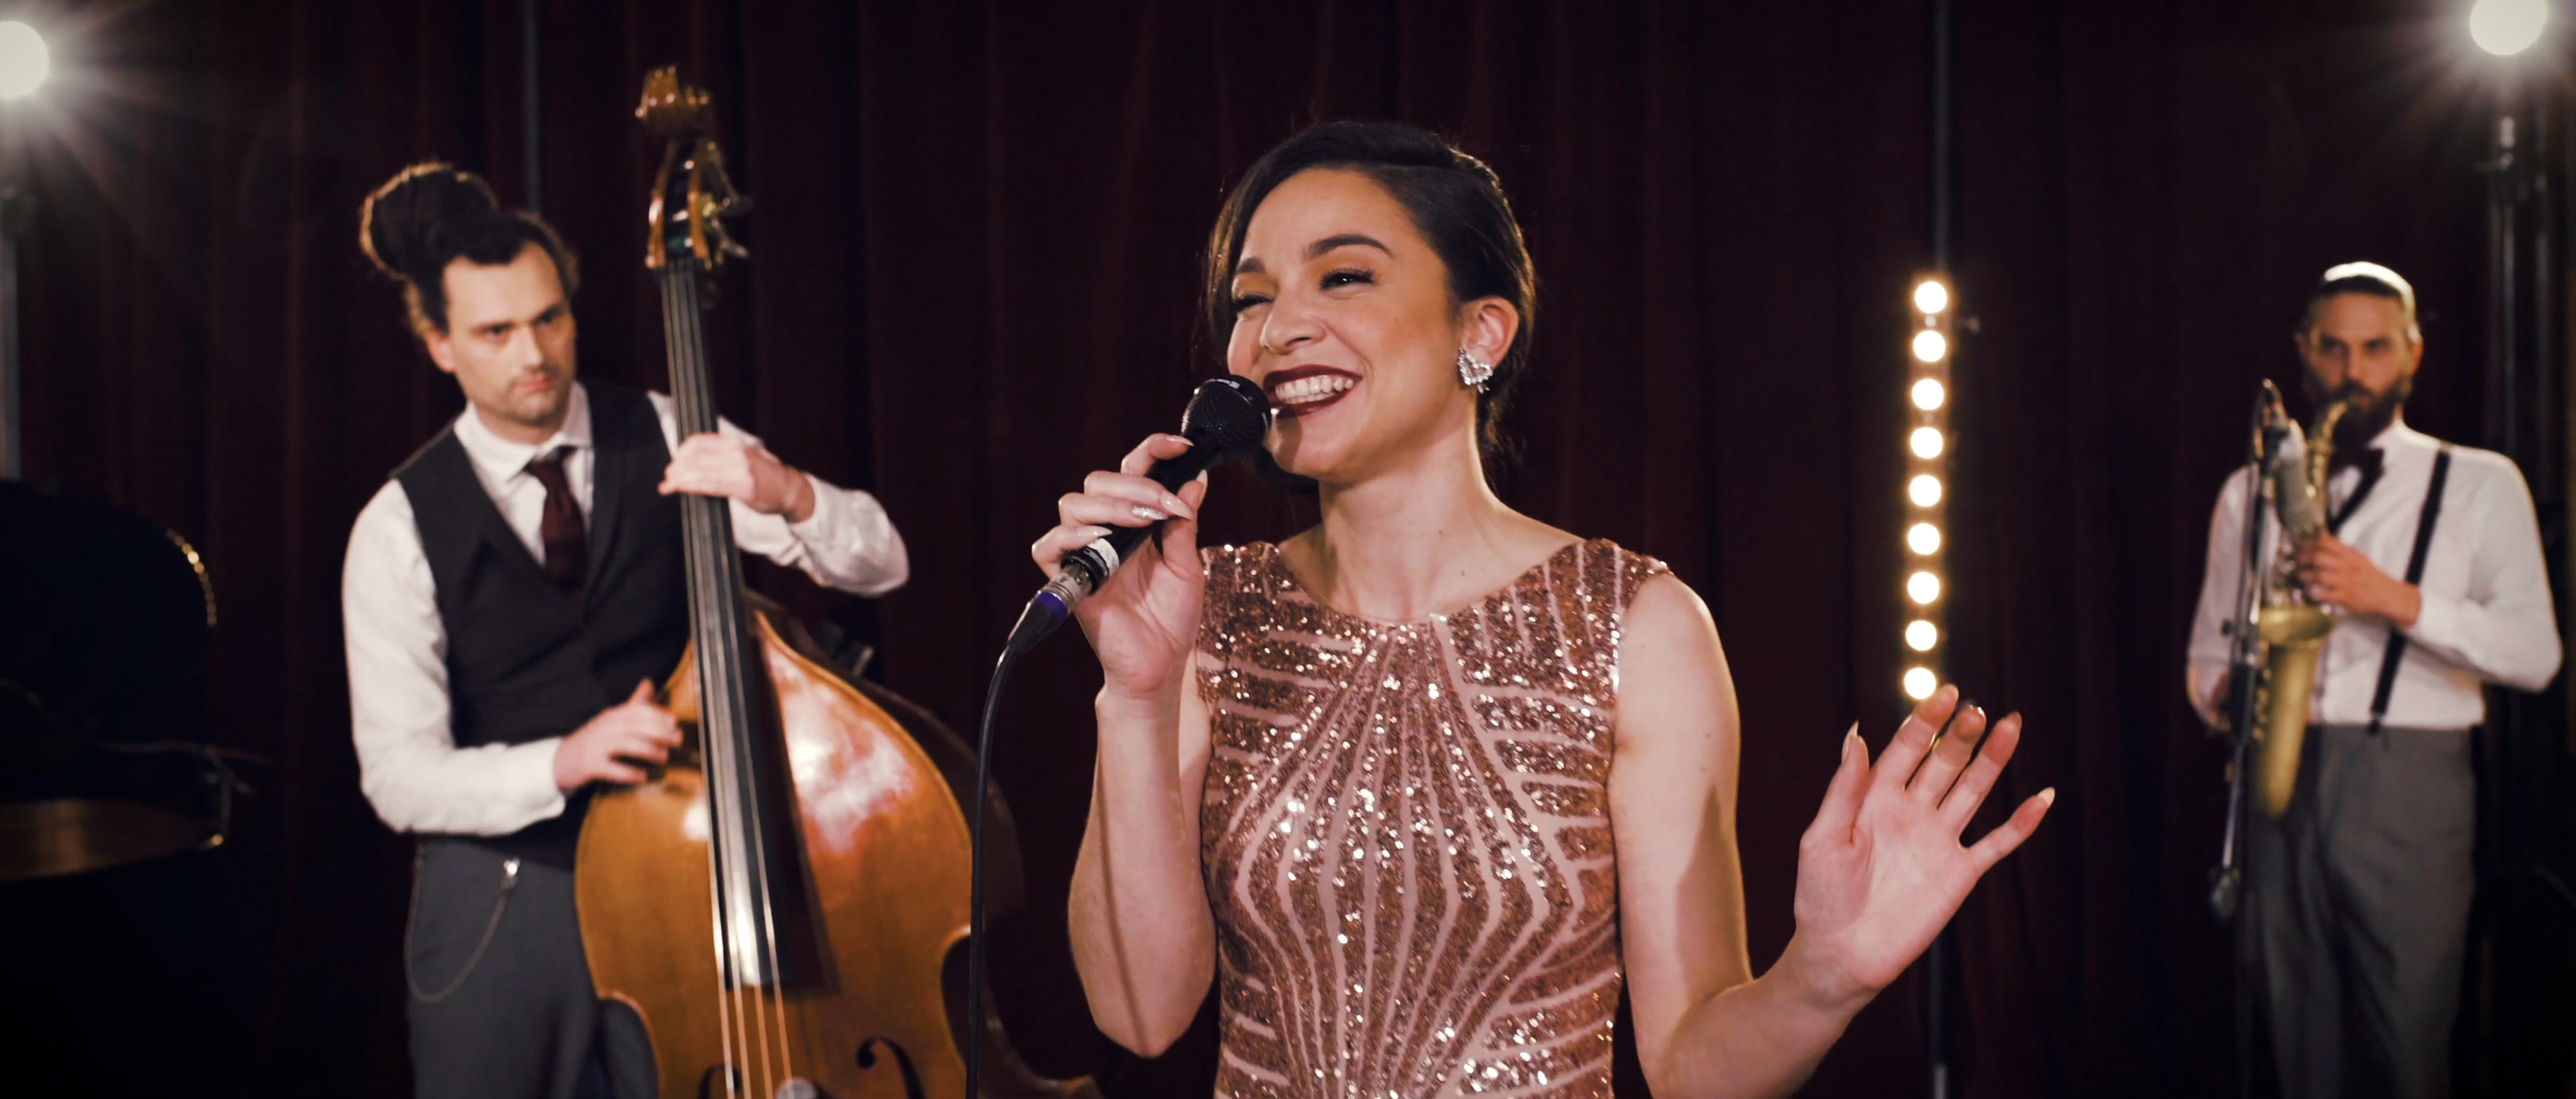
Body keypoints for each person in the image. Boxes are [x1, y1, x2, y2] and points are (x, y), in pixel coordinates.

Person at [1032, 121, 2054, 1098]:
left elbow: (1691, 1066)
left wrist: (1821, 978)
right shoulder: (1209, 613)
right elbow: (1140, 1014)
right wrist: (1137, 693)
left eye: (1343, 276)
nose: (1277, 329)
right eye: (1250, 299)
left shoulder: (1638, 627)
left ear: (1480, 332)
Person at [340, 163, 910, 1099]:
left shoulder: (666, 428)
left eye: (549, 318)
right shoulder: (395, 526)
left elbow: (882, 564)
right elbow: (398, 776)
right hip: (507, 895)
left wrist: (787, 492)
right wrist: (564, 759)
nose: (534, 352)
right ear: (440, 345)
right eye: (495, 332)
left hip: (681, 866)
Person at [2185, 262, 2562, 1098]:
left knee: (2404, 1045)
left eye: (2374, 349)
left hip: (2409, 782)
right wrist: (2227, 698)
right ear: (2302, 350)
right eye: (2333, 348)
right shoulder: (2250, 491)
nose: (2352, 371)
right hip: (2278, 782)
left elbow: (2536, 655)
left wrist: (2392, 599)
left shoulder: (2480, 481)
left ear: (2413, 352)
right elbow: (2207, 657)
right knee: (2298, 1046)